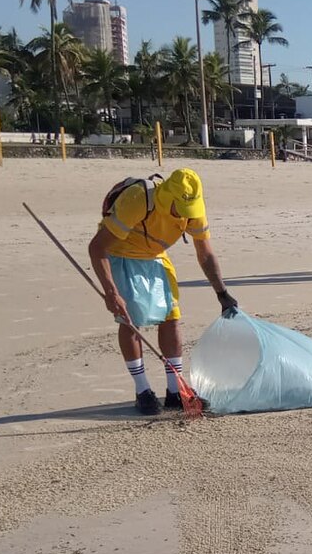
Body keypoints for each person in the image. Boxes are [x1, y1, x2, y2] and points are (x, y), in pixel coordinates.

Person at [88, 168, 239, 414]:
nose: (184, 215)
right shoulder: (137, 200)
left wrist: (222, 293)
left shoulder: (193, 211)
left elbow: (205, 252)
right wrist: (111, 292)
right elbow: (97, 247)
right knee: (130, 321)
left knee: (172, 318)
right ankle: (142, 390)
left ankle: (174, 391)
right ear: (167, 198)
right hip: (121, 254)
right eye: (179, 209)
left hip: (156, 257)